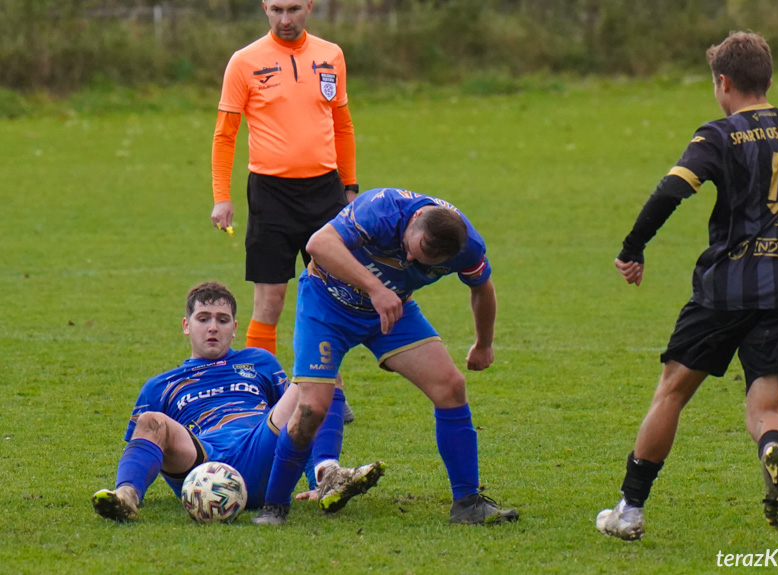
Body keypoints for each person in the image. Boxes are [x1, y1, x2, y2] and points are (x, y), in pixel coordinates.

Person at [596, 31, 778, 541]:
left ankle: (629, 510)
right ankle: (771, 448)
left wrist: (633, 249)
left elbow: (671, 191)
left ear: (722, 82)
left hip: (726, 290)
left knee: (672, 392)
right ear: (768, 78)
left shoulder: (719, 135)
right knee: (765, 407)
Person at [249, 188, 519, 526]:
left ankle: (468, 503)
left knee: (450, 387)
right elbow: (319, 244)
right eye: (412, 249)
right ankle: (275, 506)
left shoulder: (468, 246)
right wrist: (377, 289)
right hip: (327, 305)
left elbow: (483, 287)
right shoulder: (382, 208)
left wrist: (484, 342)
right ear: (416, 218)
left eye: (425, 262)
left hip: (391, 312)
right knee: (311, 408)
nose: (411, 260)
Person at [91, 282, 383, 522]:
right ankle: (126, 497)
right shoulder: (160, 385)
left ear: (234, 327)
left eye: (222, 319)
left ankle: (325, 479)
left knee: (319, 375)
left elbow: (302, 421)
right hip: (203, 460)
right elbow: (141, 445)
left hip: (261, 448)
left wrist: (309, 479)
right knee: (149, 421)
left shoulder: (259, 361)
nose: (213, 327)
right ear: (186, 325)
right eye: (203, 318)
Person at [210, 0, 357, 407]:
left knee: (328, 294)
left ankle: (331, 393)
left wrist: (350, 187)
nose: (285, 19)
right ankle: (268, 394)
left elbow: (342, 125)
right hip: (270, 194)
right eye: (276, 9)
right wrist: (222, 198)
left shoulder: (331, 55)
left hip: (325, 192)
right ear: (264, 8)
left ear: (310, 6)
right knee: (270, 298)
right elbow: (225, 135)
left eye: (294, 8)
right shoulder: (245, 62)